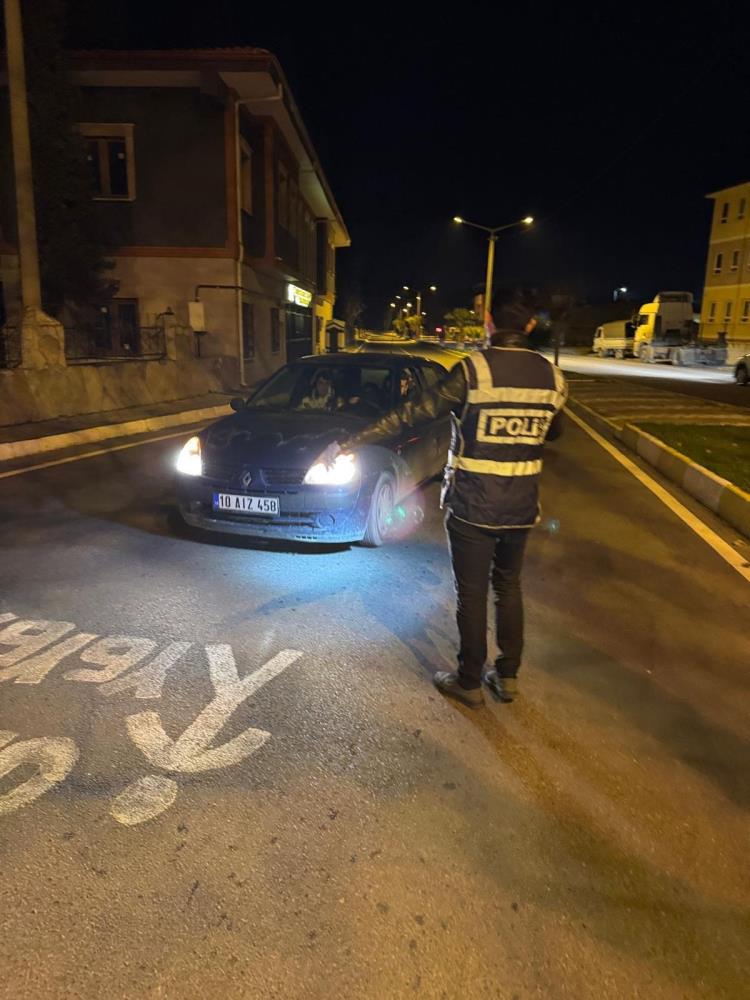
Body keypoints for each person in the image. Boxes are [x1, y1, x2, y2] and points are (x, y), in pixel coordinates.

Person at [322, 301, 566, 708]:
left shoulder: (475, 370)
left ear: (489, 324)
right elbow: (555, 432)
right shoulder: (552, 376)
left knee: (471, 593)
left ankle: (469, 680)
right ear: (527, 325)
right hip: (521, 506)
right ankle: (507, 676)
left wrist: (349, 442)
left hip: (473, 504)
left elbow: (412, 414)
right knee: (508, 587)